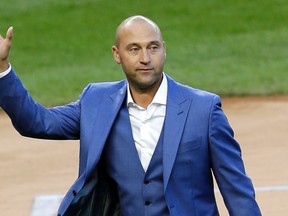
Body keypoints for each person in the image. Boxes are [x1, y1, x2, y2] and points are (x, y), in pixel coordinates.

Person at [0, 15, 261, 216]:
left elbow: (237, 191)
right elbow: (36, 122)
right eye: (134, 49)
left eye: (153, 47)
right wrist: (3, 68)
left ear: (164, 49)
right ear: (117, 54)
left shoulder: (204, 109)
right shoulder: (96, 102)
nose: (145, 58)